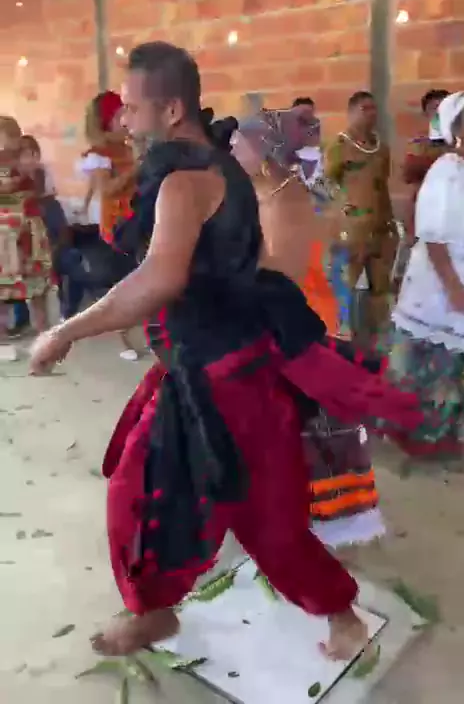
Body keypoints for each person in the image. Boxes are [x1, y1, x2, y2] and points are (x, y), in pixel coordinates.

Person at [30, 42, 421, 660]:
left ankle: (332, 614)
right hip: (205, 368)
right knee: (153, 494)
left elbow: (158, 280)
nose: (123, 120)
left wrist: (65, 331)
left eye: (132, 108)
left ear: (172, 109)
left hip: (227, 380)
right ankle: (156, 611)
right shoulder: (216, 166)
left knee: (252, 514)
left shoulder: (186, 181)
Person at [231, 110, 385, 548]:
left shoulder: (288, 200)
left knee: (309, 434)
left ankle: (316, 530)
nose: (230, 152)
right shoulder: (260, 192)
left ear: (264, 154)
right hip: (284, 325)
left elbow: (278, 279)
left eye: (238, 145)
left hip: (302, 329)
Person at [387, 91, 464, 460]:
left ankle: (440, 435)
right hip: (439, 282)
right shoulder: (447, 170)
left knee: (449, 368)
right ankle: (412, 439)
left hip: (456, 279)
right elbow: (433, 236)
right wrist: (454, 288)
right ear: (457, 130)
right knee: (425, 364)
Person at [324, 92, 398, 343]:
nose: (371, 114)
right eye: (365, 109)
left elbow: (382, 187)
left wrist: (390, 224)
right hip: (350, 230)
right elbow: (327, 184)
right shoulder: (338, 147)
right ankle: (341, 339)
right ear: (351, 112)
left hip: (379, 229)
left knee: (381, 289)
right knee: (345, 287)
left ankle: (380, 343)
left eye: (374, 109)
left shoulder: (381, 149)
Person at [78, 90, 139, 360]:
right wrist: (138, 168)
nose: (126, 120)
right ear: (106, 122)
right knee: (123, 282)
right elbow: (108, 189)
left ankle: (139, 332)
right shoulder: (99, 155)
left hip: (136, 217)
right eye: (120, 116)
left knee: (139, 276)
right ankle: (122, 340)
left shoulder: (127, 147)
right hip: (117, 223)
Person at [0, 116, 52, 356]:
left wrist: (21, 174)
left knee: (37, 287)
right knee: (3, 290)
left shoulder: (27, 160)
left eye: (11, 136)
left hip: (28, 230)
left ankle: (45, 336)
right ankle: (2, 340)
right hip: (5, 234)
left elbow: (35, 189)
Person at [402, 89, 449, 241]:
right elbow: (408, 174)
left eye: (444, 108)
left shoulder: (459, 141)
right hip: (425, 214)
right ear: (426, 114)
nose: (440, 113)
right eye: (434, 108)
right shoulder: (419, 143)